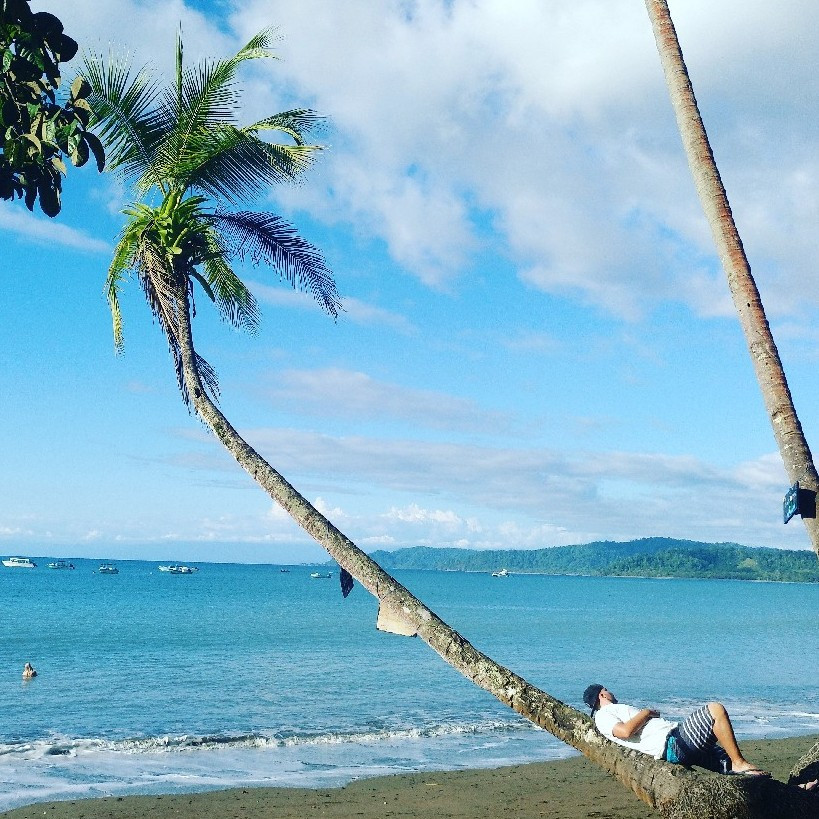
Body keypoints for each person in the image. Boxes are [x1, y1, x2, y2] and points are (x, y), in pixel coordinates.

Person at [582, 684, 769, 776]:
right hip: (674, 744)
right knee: (715, 710)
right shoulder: (603, 715)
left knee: (739, 770)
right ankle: (739, 762)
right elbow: (624, 732)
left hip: (677, 742)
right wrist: (646, 712)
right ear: (602, 694)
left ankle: (743, 770)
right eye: (608, 690)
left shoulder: (609, 712)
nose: (612, 693)